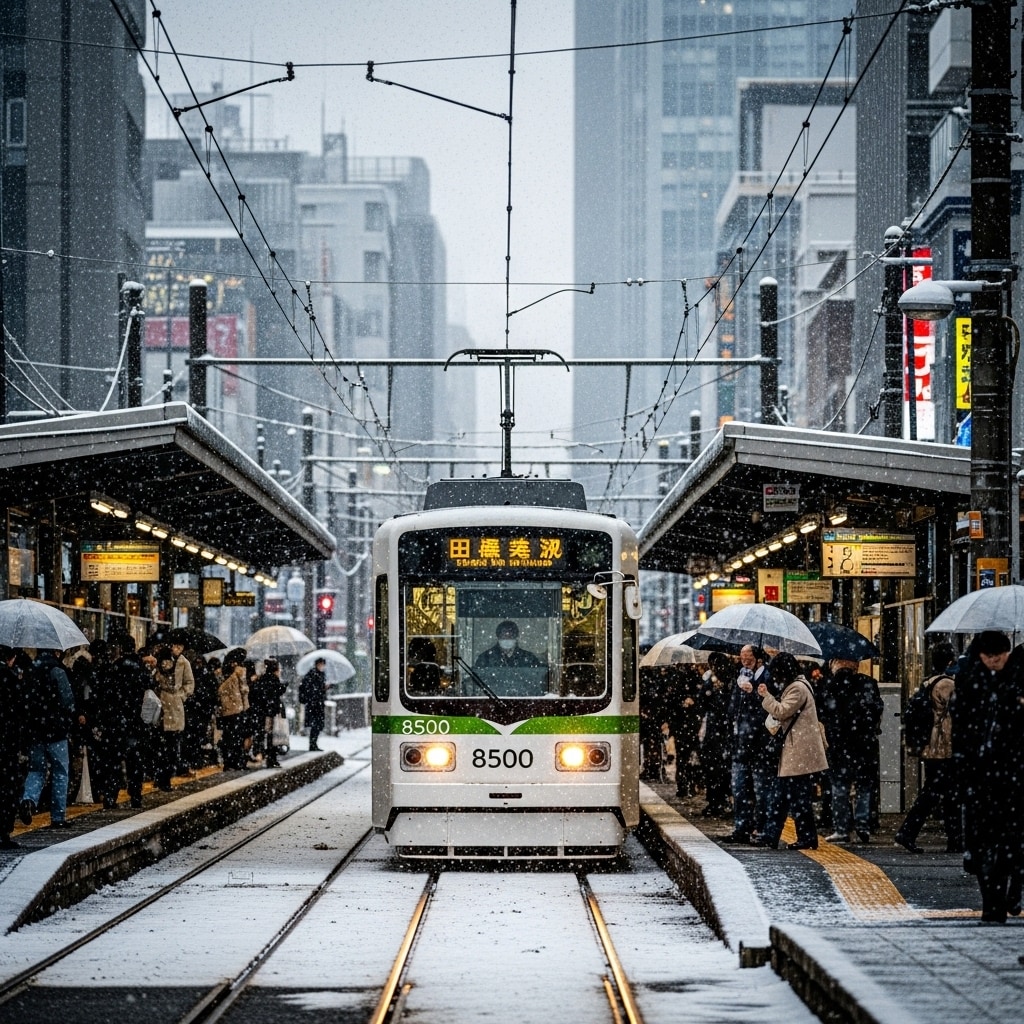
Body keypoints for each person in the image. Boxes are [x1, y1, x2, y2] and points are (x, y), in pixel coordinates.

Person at [950, 630, 1024, 923]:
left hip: (1012, 776)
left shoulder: (1016, 680)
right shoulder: (969, 683)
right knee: (982, 846)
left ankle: (1008, 892)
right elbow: (961, 733)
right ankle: (992, 903)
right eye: (989, 656)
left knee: (1011, 842)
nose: (995, 661)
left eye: (1000, 656)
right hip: (980, 777)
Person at [757, 652, 829, 850]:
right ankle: (773, 836)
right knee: (787, 797)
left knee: (794, 798)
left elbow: (782, 711)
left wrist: (766, 696)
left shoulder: (797, 688)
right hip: (795, 751)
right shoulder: (798, 685)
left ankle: (794, 837)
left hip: (798, 752)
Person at [894, 643, 962, 854]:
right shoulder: (947, 685)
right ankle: (908, 832)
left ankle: (955, 839)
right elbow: (959, 713)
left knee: (944, 793)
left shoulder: (929, 682)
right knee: (936, 794)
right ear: (950, 661)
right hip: (943, 747)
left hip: (932, 747)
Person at [819, 656, 884, 844]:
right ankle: (863, 825)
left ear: (836, 663)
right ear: (855, 665)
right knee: (864, 786)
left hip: (839, 744)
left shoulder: (829, 685)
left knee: (840, 787)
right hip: (864, 743)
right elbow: (877, 708)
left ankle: (841, 828)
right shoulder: (868, 683)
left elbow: (822, 712)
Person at [721, 645, 777, 844]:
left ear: (758, 659)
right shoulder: (739, 678)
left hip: (760, 744)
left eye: (748, 658)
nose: (744, 662)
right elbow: (731, 709)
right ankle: (741, 828)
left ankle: (761, 829)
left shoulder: (768, 678)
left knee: (762, 790)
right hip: (740, 743)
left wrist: (753, 692)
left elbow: (770, 708)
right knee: (739, 788)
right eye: (742, 658)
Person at [19, 648, 76, 829]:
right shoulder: (58, 671)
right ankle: (58, 817)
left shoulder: (30, 671)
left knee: (36, 770)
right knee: (60, 772)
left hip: (36, 732)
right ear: (55, 652)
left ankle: (28, 799)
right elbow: (68, 700)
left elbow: (24, 701)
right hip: (56, 732)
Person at [698, 653, 734, 817]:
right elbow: (702, 701)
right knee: (715, 767)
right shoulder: (712, 681)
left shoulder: (730, 681)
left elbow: (704, 702)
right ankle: (715, 800)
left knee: (719, 768)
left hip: (721, 729)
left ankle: (718, 800)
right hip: (716, 729)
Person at [0, 646, 25, 847]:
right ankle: (3, 832)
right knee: (7, 787)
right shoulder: (11, 679)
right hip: (6, 743)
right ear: (12, 658)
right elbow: (19, 712)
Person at [153, 646, 186, 790]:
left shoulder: (160, 669)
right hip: (168, 710)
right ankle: (164, 779)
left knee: (164, 748)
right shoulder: (168, 668)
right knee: (170, 748)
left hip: (165, 710)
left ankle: (161, 777)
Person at [250, 659, 287, 768]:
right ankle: (271, 758)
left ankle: (262, 753)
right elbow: (277, 692)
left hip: (262, 711)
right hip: (271, 712)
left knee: (262, 734)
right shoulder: (274, 679)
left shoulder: (262, 679)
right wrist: (283, 686)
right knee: (272, 736)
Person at [218, 648, 251, 769]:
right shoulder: (240, 671)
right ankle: (238, 762)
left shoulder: (224, 671)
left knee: (228, 736)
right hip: (238, 707)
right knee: (237, 737)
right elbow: (244, 689)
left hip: (227, 709)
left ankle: (228, 762)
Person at [474, 621, 543, 669]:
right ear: (498, 637)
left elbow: (537, 678)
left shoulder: (529, 658)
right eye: (504, 636)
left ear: (516, 637)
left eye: (511, 636)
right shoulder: (485, 658)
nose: (507, 639)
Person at [299, 656, 328, 751]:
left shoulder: (321, 674)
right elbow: (310, 689)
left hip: (318, 703)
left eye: (323, 665)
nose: (322, 666)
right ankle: (312, 744)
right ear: (317, 664)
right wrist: (321, 689)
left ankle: (313, 744)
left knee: (318, 725)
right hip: (313, 704)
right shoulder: (312, 674)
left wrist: (325, 688)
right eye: (321, 664)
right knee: (315, 725)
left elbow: (319, 689)